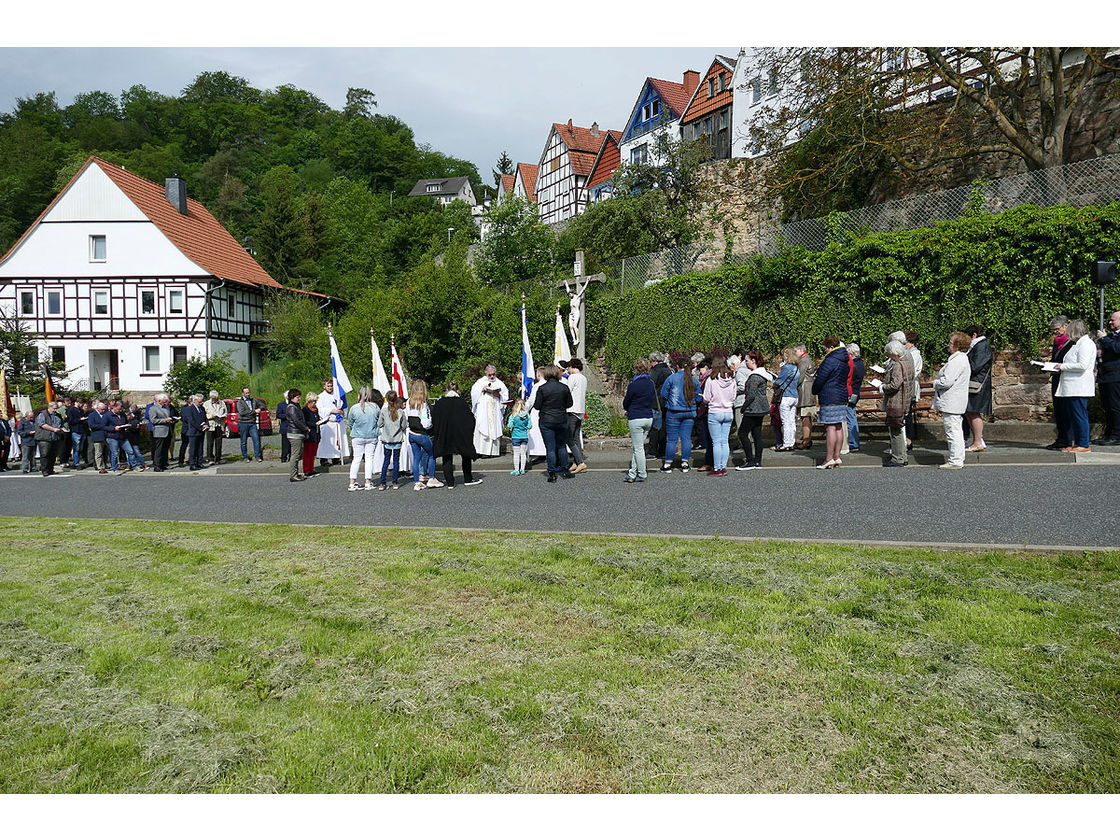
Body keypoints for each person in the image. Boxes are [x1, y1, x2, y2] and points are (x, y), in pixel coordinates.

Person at [1054, 319, 1097, 453]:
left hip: (1079, 386)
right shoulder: (1078, 344)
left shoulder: (1086, 344)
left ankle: (1083, 444)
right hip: (1072, 386)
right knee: (1075, 416)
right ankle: (1078, 443)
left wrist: (1063, 366)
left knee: (1080, 415)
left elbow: (1082, 365)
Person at [811, 337, 853, 469]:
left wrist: (815, 390)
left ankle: (829, 458)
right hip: (841, 396)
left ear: (830, 347)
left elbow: (820, 379)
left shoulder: (830, 360)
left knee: (830, 427)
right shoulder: (844, 360)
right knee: (839, 426)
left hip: (829, 396)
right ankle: (837, 456)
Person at [933, 332, 973, 469]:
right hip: (955, 401)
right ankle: (957, 458)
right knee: (956, 430)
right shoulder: (960, 359)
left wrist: (935, 383)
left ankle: (955, 460)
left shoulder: (957, 361)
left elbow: (947, 382)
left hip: (952, 402)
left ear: (958, 346)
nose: (948, 345)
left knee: (952, 431)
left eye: (951, 343)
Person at [431, 381, 480, 488]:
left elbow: (434, 418)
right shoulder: (462, 403)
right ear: (458, 390)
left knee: (446, 456)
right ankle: (468, 478)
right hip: (460, 433)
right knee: (465, 455)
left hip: (445, 433)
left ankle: (450, 482)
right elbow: (470, 419)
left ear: (446, 390)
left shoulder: (440, 403)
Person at [530, 365, 574, 482]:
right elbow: (569, 404)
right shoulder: (564, 387)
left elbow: (537, 406)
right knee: (561, 446)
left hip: (546, 420)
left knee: (550, 448)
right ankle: (565, 470)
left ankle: (552, 473)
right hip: (561, 419)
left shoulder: (542, 388)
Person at [659, 356, 702, 473]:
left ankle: (668, 464)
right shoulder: (694, 380)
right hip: (689, 412)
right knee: (686, 439)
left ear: (677, 366)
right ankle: (685, 463)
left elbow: (663, 394)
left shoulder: (671, 378)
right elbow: (699, 398)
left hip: (674, 412)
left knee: (672, 440)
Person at [736, 350, 773, 470]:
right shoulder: (763, 374)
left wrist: (744, 407)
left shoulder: (754, 376)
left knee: (742, 433)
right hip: (761, 408)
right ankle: (758, 461)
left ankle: (750, 461)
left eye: (746, 361)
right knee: (757, 434)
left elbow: (751, 395)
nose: (745, 363)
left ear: (753, 361)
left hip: (753, 409)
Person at [880, 339, 914, 467]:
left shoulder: (898, 365)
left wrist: (883, 387)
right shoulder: (907, 362)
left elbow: (895, 384)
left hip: (896, 401)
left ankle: (898, 458)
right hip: (905, 400)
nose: (888, 356)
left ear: (894, 353)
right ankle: (902, 456)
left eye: (889, 353)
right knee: (899, 429)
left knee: (896, 431)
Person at [622, 358, 655, 483]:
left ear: (636, 368)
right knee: (638, 447)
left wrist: (627, 408)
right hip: (648, 416)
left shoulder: (634, 385)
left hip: (636, 417)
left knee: (638, 448)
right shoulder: (650, 383)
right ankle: (632, 473)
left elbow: (626, 402)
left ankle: (642, 473)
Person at [702, 357, 736, 476]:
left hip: (715, 411)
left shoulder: (711, 380)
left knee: (716, 442)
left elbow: (706, 398)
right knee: (724, 441)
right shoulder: (731, 379)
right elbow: (733, 397)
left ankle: (717, 468)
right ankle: (723, 467)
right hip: (728, 411)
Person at [1045, 315, 1073, 450]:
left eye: (1057, 329)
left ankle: (1067, 439)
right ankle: (1061, 438)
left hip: (1067, 379)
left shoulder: (1072, 342)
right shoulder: (1057, 342)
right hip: (1056, 378)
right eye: (1053, 330)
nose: (1055, 332)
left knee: (1066, 410)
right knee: (1058, 409)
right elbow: (1055, 359)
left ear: (1065, 326)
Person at [963, 324, 992, 452]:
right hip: (975, 383)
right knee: (970, 411)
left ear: (974, 335)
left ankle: (978, 442)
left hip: (978, 384)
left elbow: (976, 366)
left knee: (974, 412)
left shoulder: (981, 346)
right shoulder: (979, 346)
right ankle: (976, 440)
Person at [407, 379, 440, 490]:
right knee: (431, 455)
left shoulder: (408, 402)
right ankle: (431, 478)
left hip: (411, 434)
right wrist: (431, 425)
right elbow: (426, 424)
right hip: (422, 434)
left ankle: (417, 482)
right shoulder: (423, 405)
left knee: (416, 458)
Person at [346, 386, 381, 491]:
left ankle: (352, 483)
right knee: (369, 458)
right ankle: (368, 482)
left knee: (356, 459)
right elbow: (379, 421)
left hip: (357, 436)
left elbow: (350, 422)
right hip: (371, 435)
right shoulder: (375, 407)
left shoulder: (354, 408)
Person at [470, 365, 509, 458]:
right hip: (483, 411)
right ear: (486, 373)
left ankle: (492, 452)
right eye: (490, 375)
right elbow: (473, 394)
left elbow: (505, 397)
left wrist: (498, 395)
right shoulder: (480, 382)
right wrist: (481, 390)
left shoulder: (500, 383)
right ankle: (480, 451)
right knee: (483, 428)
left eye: (493, 374)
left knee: (493, 429)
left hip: (494, 411)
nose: (492, 376)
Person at [1094, 310, 1120, 446]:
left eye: (1113, 320)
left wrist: (1104, 339)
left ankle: (1117, 435)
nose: (1110, 322)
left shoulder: (1109, 337)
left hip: (1116, 376)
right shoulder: (1110, 336)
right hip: (1105, 376)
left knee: (1115, 407)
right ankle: (1109, 434)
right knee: (1107, 407)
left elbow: (1117, 348)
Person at [375, 392, 407, 489]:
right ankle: (395, 482)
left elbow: (379, 424)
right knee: (396, 461)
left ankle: (382, 482)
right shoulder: (401, 412)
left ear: (387, 400)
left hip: (387, 439)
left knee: (386, 461)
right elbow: (404, 426)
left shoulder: (384, 411)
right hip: (397, 439)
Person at [564, 358, 589, 474]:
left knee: (569, 438)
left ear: (572, 366)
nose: (568, 370)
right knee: (576, 438)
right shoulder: (584, 378)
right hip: (580, 410)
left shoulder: (572, 377)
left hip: (571, 410)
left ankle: (580, 462)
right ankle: (576, 462)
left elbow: (567, 392)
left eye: (569, 367)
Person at [316, 378, 348, 465]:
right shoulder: (320, 397)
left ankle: (336, 458)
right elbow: (320, 409)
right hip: (328, 422)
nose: (330, 387)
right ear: (324, 386)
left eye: (331, 386)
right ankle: (324, 459)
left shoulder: (337, 395)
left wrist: (342, 412)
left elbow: (343, 406)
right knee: (326, 442)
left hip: (337, 422)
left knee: (337, 441)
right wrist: (331, 410)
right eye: (328, 386)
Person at [284, 389, 309, 482]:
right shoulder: (291, 407)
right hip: (294, 434)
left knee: (297, 454)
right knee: (295, 455)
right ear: (292, 397)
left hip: (297, 433)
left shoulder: (295, 406)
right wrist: (306, 428)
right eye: (297, 397)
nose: (299, 398)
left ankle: (296, 473)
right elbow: (296, 421)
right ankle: (293, 475)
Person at [648, 351, 671, 457]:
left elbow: (651, 386)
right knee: (664, 427)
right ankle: (662, 450)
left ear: (655, 361)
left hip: (656, 401)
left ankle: (652, 451)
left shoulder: (655, 371)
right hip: (666, 401)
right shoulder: (668, 370)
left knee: (655, 428)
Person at [34, 401, 65, 476]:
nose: (55, 410)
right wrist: (53, 429)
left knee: (53, 455)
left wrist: (62, 429)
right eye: (54, 408)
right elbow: (42, 424)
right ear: (49, 407)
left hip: (55, 437)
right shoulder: (42, 414)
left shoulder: (58, 415)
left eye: (56, 408)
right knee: (45, 454)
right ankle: (44, 470)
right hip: (44, 437)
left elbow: (61, 424)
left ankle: (50, 469)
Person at [904, 331, 923, 450]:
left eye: (905, 342)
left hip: (910, 387)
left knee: (907, 414)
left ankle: (909, 440)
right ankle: (905, 439)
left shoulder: (915, 355)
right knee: (905, 414)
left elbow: (914, 373)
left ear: (911, 343)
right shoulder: (908, 353)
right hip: (906, 386)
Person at [302, 393, 329, 478]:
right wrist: (315, 423)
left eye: (315, 401)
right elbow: (305, 422)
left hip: (316, 433)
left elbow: (317, 418)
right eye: (312, 401)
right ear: (308, 401)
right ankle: (306, 470)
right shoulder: (305, 410)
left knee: (313, 453)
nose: (314, 403)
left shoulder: (315, 409)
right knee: (307, 453)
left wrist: (322, 421)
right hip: (309, 433)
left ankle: (311, 469)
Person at [235, 387, 264, 462]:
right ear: (243, 393)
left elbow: (263, 405)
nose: (248, 394)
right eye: (246, 393)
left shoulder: (253, 400)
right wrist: (254, 411)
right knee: (243, 441)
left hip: (252, 423)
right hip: (243, 423)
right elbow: (242, 412)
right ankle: (245, 457)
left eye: (248, 392)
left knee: (256, 439)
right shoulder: (240, 402)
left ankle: (257, 456)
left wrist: (260, 409)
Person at [695, 357, 714, 472]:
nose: (699, 372)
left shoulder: (707, 379)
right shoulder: (714, 377)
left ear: (706, 368)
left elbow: (706, 397)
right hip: (718, 410)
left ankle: (708, 462)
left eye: (700, 369)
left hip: (707, 410)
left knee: (709, 439)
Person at [846, 343, 865, 452]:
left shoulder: (854, 365)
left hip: (852, 393)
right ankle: (854, 442)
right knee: (851, 416)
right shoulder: (860, 363)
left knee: (850, 417)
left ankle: (853, 442)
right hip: (855, 392)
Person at [149, 394, 175, 472]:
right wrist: (164, 420)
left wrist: (172, 420)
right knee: (159, 449)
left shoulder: (167, 408)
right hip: (159, 431)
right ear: (159, 401)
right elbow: (153, 420)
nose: (165, 403)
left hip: (167, 430)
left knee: (165, 449)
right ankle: (157, 465)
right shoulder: (153, 408)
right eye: (164, 402)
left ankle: (163, 464)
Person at [506, 396, 532, 475]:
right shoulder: (527, 415)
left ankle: (516, 470)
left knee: (516, 454)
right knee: (523, 453)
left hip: (516, 436)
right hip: (524, 436)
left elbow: (509, 425)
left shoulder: (513, 415)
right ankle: (523, 469)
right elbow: (530, 426)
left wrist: (513, 427)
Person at [86, 400, 110, 473]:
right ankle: (100, 467)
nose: (103, 410)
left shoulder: (106, 414)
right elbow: (91, 425)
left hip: (106, 435)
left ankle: (105, 464)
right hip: (97, 435)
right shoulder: (92, 415)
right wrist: (102, 426)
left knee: (106, 452)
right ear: (97, 408)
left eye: (104, 409)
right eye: (102, 409)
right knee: (98, 452)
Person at [122, 401, 148, 471]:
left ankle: (143, 463)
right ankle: (129, 464)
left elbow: (137, 424)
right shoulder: (126, 415)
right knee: (128, 452)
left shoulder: (137, 415)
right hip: (128, 435)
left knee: (136, 451)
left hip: (134, 435)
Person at [204, 391, 227, 465]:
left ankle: (218, 458)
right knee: (210, 443)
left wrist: (223, 415)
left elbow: (226, 412)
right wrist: (211, 416)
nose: (213, 400)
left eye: (215, 398)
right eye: (212, 398)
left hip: (219, 424)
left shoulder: (222, 403)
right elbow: (203, 415)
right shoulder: (206, 404)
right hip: (210, 425)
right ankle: (210, 458)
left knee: (219, 442)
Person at [66, 398, 87, 469]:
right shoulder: (71, 410)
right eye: (81, 404)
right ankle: (76, 463)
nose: (82, 405)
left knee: (80, 448)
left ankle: (77, 461)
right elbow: (70, 421)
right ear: (77, 402)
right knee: (76, 448)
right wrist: (80, 419)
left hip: (82, 430)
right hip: (75, 430)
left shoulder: (81, 410)